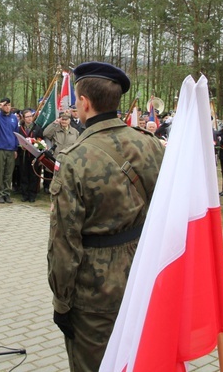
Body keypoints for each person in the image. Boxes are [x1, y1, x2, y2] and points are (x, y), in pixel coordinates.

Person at [47, 61, 165, 372]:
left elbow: (64, 241)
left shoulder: (74, 159)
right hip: (142, 275)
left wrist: (62, 301)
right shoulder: (151, 144)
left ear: (84, 103)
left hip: (94, 290)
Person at [18, 109, 43, 202]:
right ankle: (25, 194)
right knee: (24, 174)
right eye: (27, 117)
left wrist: (36, 145)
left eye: (31, 116)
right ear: (23, 118)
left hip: (34, 155)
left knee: (33, 175)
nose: (29, 118)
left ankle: (32, 194)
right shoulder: (20, 128)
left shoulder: (37, 128)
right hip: (23, 155)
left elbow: (41, 140)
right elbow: (17, 139)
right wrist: (20, 146)